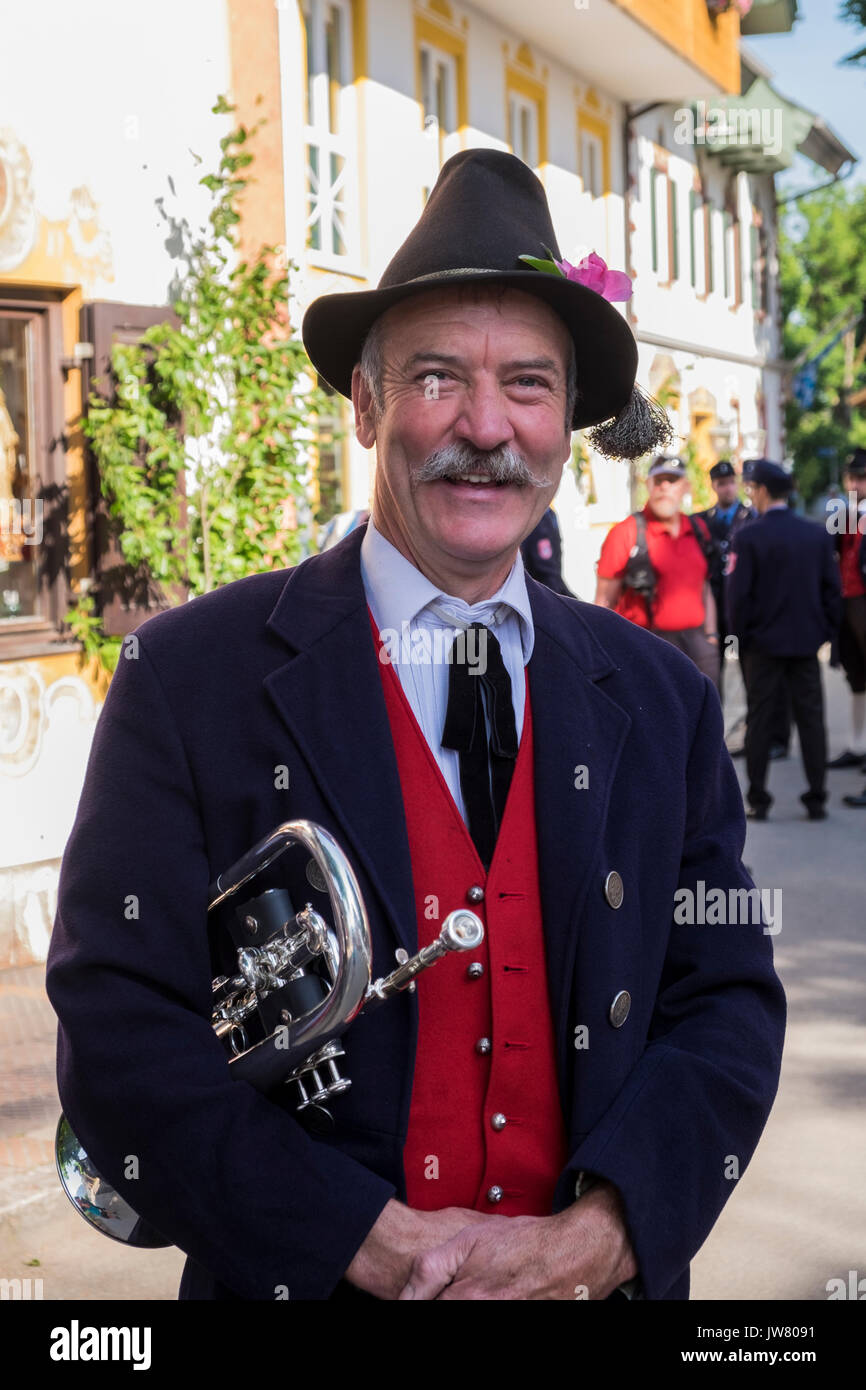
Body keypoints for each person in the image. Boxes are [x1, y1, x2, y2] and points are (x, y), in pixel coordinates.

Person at [46, 149, 785, 1303]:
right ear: (364, 404)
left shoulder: (663, 698)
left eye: (528, 385)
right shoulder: (188, 678)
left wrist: (606, 1233)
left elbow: (725, 998)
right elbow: (117, 1024)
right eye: (438, 376)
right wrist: (360, 1238)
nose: (485, 426)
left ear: (567, 420)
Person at [726, 459, 842, 821]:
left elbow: (737, 597)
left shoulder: (748, 536)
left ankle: (758, 798)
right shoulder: (816, 534)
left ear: (761, 491)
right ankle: (817, 797)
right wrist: (823, 632)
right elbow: (832, 592)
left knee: (760, 720)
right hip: (806, 644)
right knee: (811, 719)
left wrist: (740, 639)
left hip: (762, 646)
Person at [594, 455, 720, 686]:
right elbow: (603, 602)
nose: (664, 487)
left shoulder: (698, 530)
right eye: (658, 480)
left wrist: (711, 636)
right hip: (646, 644)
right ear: (648, 485)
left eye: (672, 480)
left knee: (708, 717)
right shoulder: (626, 533)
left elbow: (705, 586)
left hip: (698, 643)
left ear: (685, 487)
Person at [694, 460, 751, 694]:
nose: (727, 488)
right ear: (713, 486)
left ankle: (753, 726)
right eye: (721, 484)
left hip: (743, 607)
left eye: (730, 483)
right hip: (714, 609)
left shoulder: (751, 518)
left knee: (751, 672)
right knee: (713, 674)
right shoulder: (700, 521)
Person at [827, 447, 866, 794]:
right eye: (852, 478)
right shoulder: (845, 513)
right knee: (856, 676)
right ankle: (858, 745)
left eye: (861, 478)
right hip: (848, 602)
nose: (856, 484)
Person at [520, 505, 575, 595]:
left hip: (545, 589)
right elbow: (546, 571)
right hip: (541, 590)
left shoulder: (544, 513)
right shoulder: (540, 515)